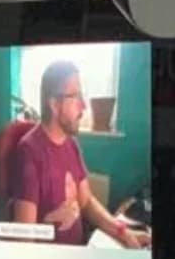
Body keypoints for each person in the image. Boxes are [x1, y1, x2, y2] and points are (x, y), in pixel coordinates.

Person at [11, 60, 148, 248]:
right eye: (75, 97)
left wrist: (123, 232)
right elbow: (24, 238)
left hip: (80, 251)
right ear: (54, 104)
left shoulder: (72, 144)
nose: (83, 106)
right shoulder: (29, 151)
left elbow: (86, 201)